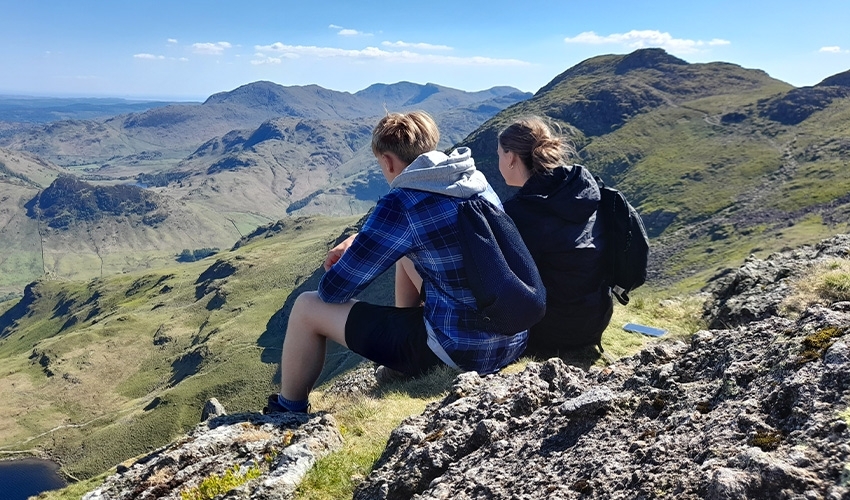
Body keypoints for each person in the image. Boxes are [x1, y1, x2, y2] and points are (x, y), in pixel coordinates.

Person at [264, 111, 528, 414]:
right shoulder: (472, 179)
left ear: (388, 161)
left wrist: (353, 252)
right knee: (406, 253)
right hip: (510, 337)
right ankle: (403, 364)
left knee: (307, 307)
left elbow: (333, 291)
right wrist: (363, 240)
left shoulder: (403, 201)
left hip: (461, 351)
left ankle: (287, 410)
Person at [496, 116, 613, 359]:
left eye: (499, 154)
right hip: (596, 319)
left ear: (511, 158)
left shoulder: (518, 213)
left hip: (550, 332)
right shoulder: (584, 191)